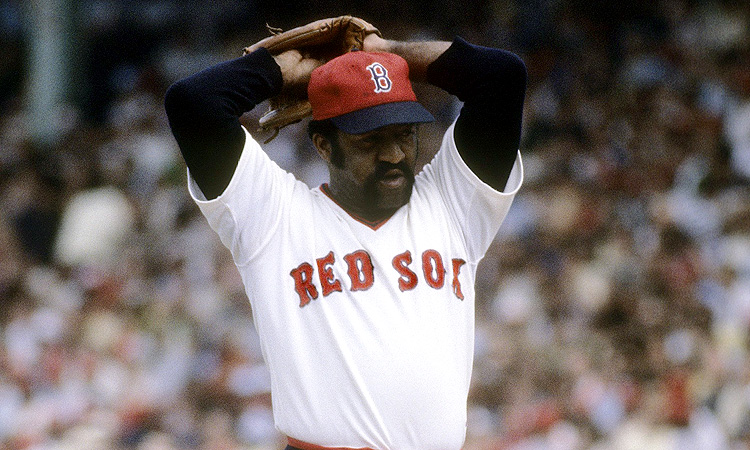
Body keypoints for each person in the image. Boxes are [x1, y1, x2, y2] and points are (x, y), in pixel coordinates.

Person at [164, 19, 526, 450]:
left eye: (404, 134)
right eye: (369, 139)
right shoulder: (275, 216)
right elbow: (193, 103)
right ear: (323, 143)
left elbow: (502, 78)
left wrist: (385, 52)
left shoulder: (452, 202)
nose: (393, 154)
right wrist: (282, 71)